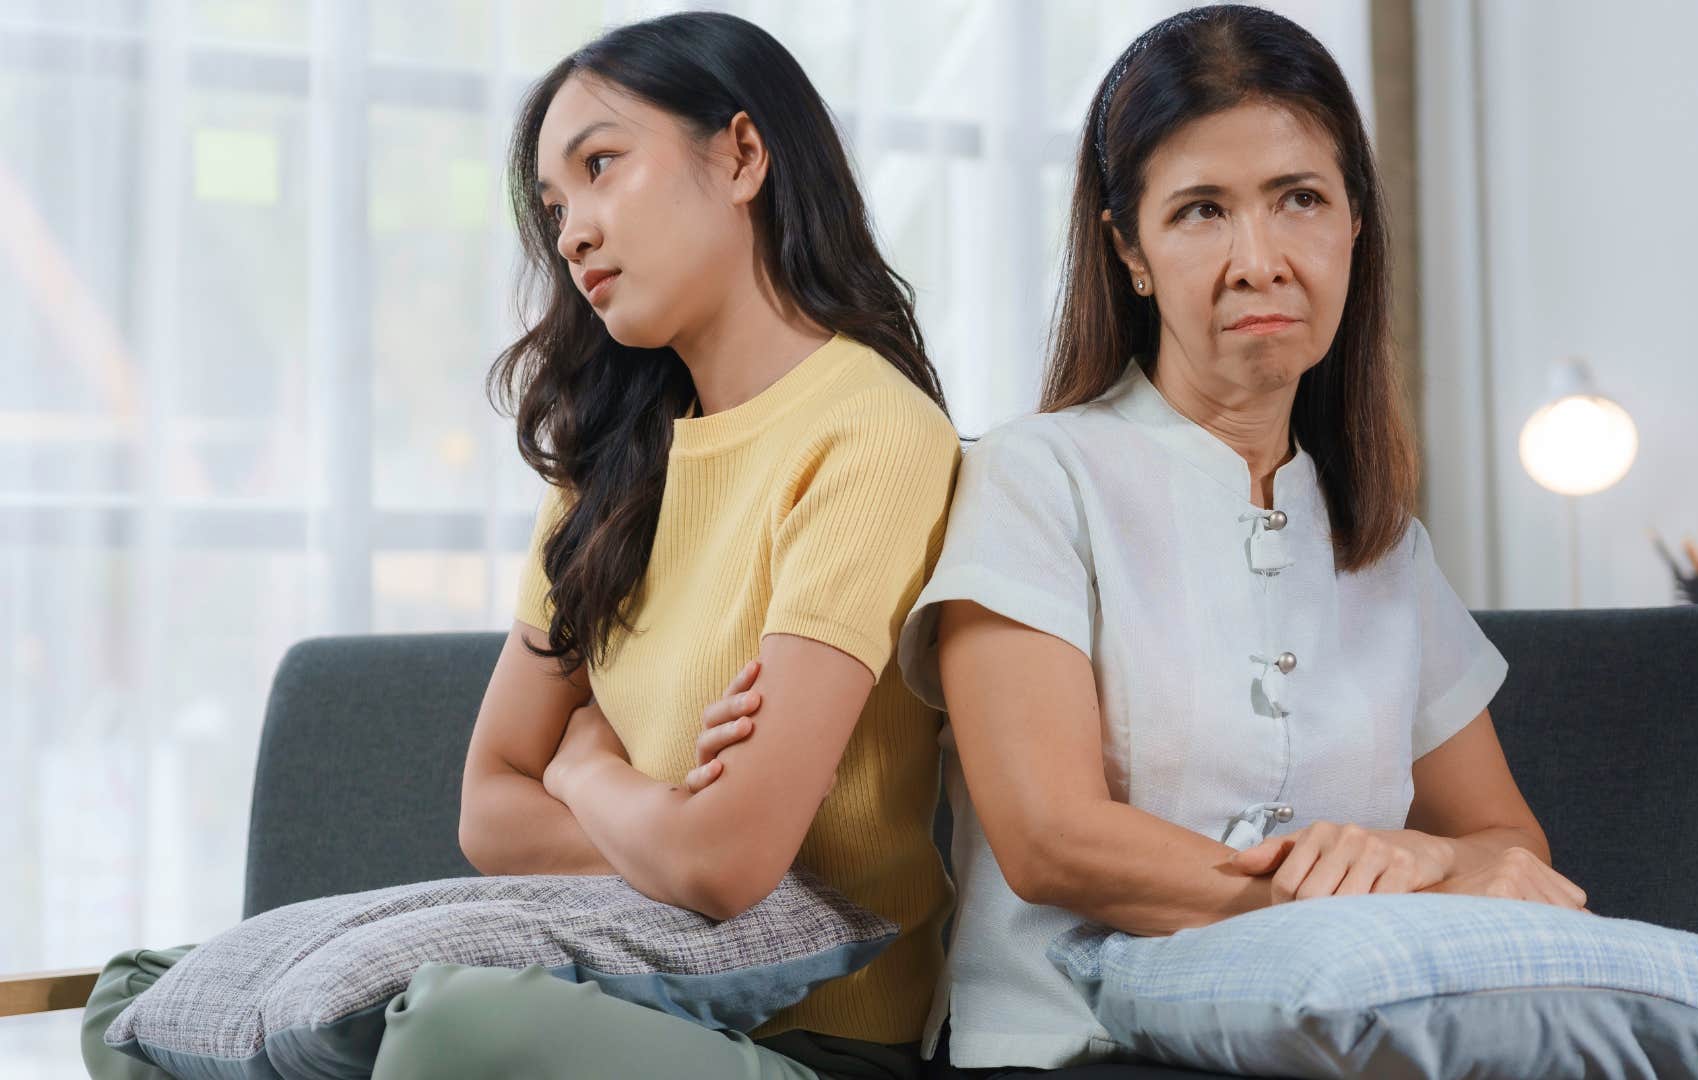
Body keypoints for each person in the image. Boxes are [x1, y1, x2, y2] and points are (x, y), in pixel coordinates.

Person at [700, 6, 1588, 1076]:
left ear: (1356, 221)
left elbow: (1513, 848)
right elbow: (1050, 839)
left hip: (1335, 1041)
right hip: (1078, 1045)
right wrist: (1391, 897)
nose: (1258, 261)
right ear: (1130, 251)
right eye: (1201, 212)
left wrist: (1421, 853)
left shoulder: (1385, 544)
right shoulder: (1036, 478)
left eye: (1299, 199)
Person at [80, 13, 959, 1080]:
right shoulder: (610, 466)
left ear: (740, 155)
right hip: (611, 975)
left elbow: (727, 863)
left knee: (459, 1031)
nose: (573, 231)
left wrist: (586, 769)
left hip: (817, 1039)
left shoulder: (871, 431)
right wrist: (663, 826)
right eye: (553, 206)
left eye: (601, 166)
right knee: (138, 997)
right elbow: (491, 806)